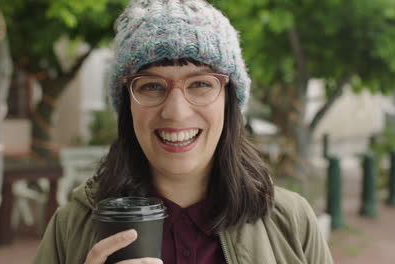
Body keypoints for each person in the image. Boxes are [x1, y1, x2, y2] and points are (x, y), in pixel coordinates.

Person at [34, 0, 333, 263]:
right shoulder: (71, 226)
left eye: (201, 84)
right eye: (151, 86)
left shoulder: (292, 221)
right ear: (127, 106)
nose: (176, 112)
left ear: (230, 101)